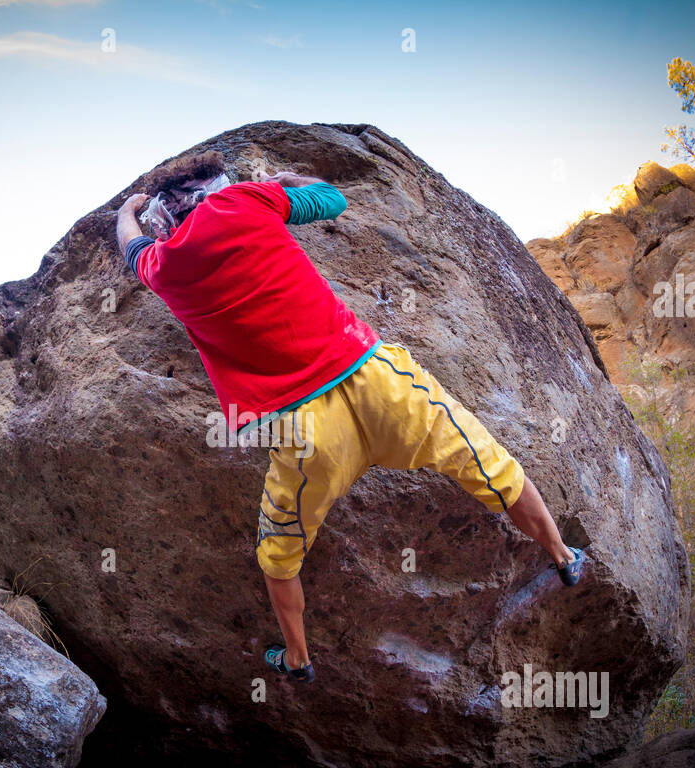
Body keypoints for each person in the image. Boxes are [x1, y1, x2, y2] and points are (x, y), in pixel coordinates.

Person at [116, 151, 585, 685]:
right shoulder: (242, 201)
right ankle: (562, 555)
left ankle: (298, 658)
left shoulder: (164, 264)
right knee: (487, 462)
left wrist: (126, 211)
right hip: (376, 381)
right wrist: (283, 178)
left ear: (164, 218)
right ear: (215, 187)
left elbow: (131, 248)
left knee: (279, 552)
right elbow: (331, 199)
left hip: (305, 432)